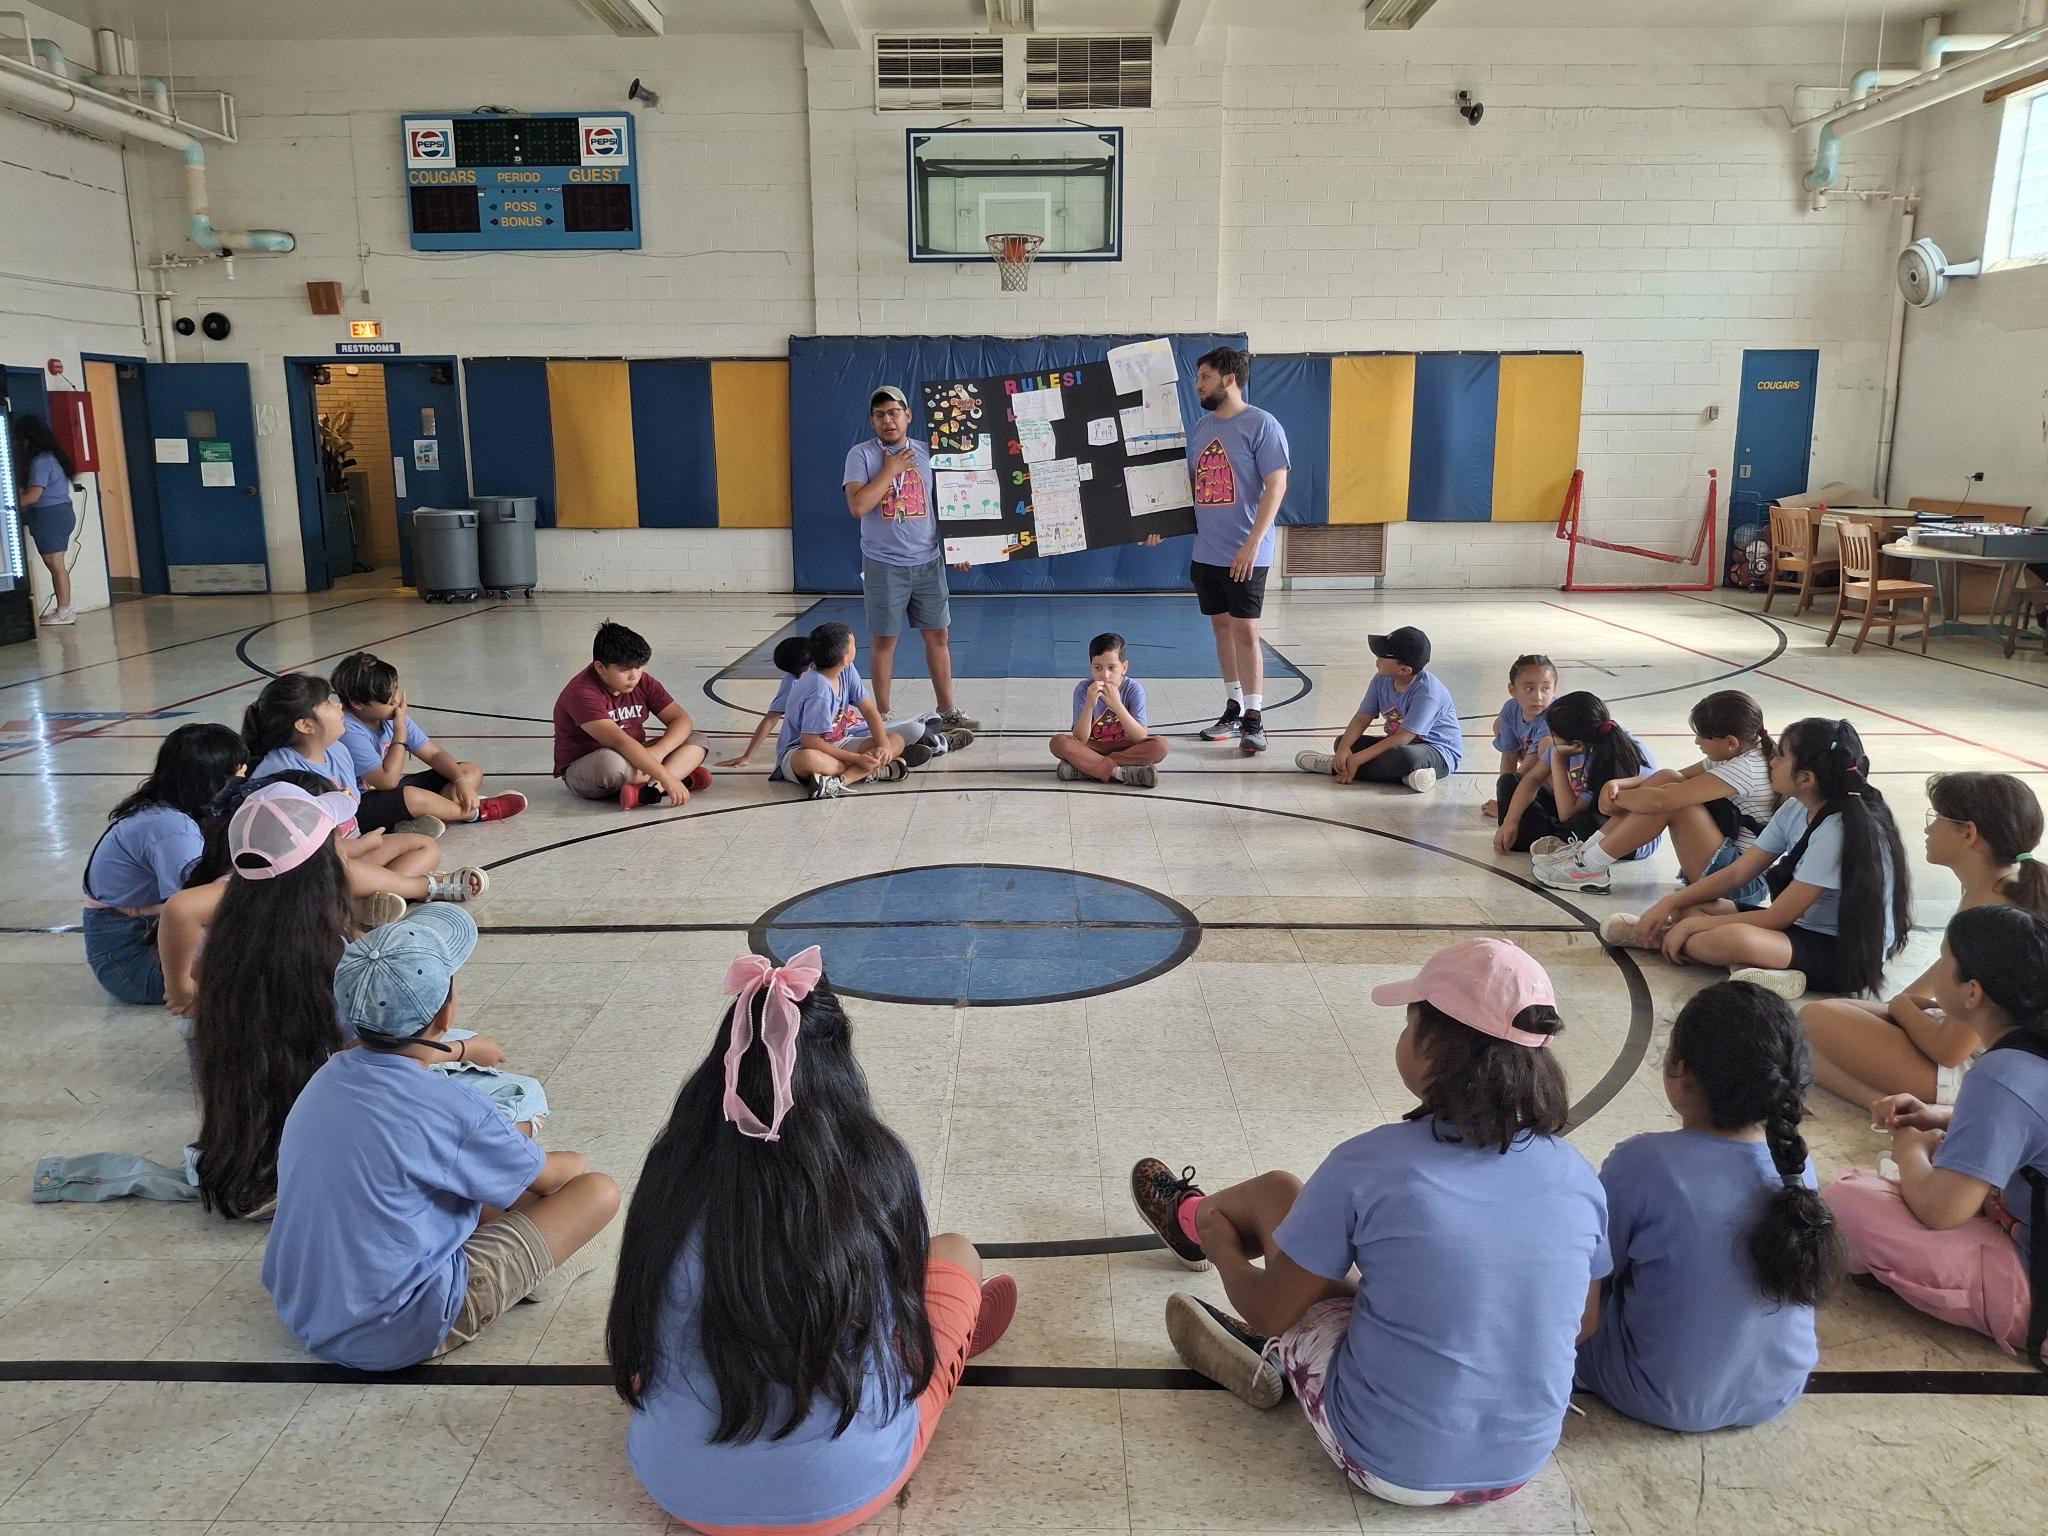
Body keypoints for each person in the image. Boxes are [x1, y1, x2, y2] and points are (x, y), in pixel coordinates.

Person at [1127, 939, 1607, 1508]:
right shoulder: (1578, 1176)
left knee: (1281, 1213)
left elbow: (1272, 1309)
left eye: (1409, 1026)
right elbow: (1582, 1323)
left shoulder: (1370, 1162)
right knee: (1326, 1232)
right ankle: (1220, 1258)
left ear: (1434, 1047)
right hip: (1520, 1465)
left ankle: (1205, 1238)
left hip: (1386, 1459)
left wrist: (1222, 1247)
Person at [608, 949, 1017, 1534]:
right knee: (956, 1254)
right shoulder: (879, 1165)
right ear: (839, 1065)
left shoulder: (669, 1169)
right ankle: (949, 1357)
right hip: (849, 1488)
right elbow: (898, 1308)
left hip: (678, 1488)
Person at [264, 905, 619, 1369]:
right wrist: (572, 1161)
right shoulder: (452, 1106)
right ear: (447, 1011)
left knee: (483, 1179)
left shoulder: (326, 1078)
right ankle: (533, 1275)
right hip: (393, 1331)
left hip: (304, 1306)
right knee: (597, 1191)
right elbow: (552, 1178)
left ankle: (526, 1255)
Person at [1575, 981, 1846, 1432]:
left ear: (1679, 1070)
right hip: (1778, 1389)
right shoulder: (1797, 1166)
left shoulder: (1642, 1162)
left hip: (1657, 1394)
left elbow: (1588, 1280)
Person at [1827, 905, 2048, 1358]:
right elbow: (2031, 1120)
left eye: (1944, 959)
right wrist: (1940, 1115)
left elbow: (1940, 1212)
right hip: (2028, 1220)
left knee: (1848, 1201)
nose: (1936, 967)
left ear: (1972, 993)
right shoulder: (2027, 1054)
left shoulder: (2003, 1074)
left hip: (2037, 1282)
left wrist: (1909, 1144)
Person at [1605, 718, 1911, 1001]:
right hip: (1800, 928)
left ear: (1805, 778)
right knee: (1689, 905)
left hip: (1840, 953)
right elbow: (1739, 872)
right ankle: (1757, 971)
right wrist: (1670, 905)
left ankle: (1657, 938)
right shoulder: (1795, 807)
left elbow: (1776, 917)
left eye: (1780, 756)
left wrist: (1688, 927)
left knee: (1733, 938)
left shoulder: (1836, 831)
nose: (1772, 762)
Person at [1801, 772, 2048, 1108]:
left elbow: (1950, 1050)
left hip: (1993, 1075)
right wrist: (1902, 1004)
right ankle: (1890, 1104)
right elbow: (1953, 965)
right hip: (1989, 1049)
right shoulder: (2001, 884)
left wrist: (1902, 1007)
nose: (1928, 829)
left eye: (1937, 819)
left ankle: (1904, 1110)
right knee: (1820, 1024)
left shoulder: (1994, 913)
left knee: (1815, 1021)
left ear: (1968, 832)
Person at [159, 770, 487, 1018]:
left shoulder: (249, 889)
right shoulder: (300, 899)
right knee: (435, 934)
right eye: (335, 832)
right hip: (309, 1036)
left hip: (240, 1035)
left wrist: (181, 988)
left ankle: (405, 896)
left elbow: (180, 909)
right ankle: (419, 892)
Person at [244, 672, 484, 899]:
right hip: (315, 865)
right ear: (305, 725)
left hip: (352, 849)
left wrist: (362, 846)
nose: (339, 706)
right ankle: (418, 888)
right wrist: (359, 847)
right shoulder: (279, 774)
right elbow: (297, 852)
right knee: (351, 874)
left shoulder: (337, 750)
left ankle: (371, 900)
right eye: (327, 703)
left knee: (426, 847)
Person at [1168, 348, 1291, 755]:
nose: (1198, 384)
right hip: (1207, 550)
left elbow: (1276, 486)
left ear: (1228, 379)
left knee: (1246, 630)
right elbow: (1189, 488)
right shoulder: (1202, 429)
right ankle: (1233, 707)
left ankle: (1255, 716)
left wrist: (1253, 543)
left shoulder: (1262, 425)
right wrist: (1154, 526)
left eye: (1204, 377)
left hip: (1246, 552)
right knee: (1221, 627)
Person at [1536, 691, 1774, 895]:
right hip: (1728, 865)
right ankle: (1587, 852)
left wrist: (1616, 798)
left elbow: (1664, 800)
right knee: (1668, 778)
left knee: (1672, 801)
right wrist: (1621, 784)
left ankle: (1590, 866)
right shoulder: (1739, 754)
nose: (1697, 741)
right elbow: (1671, 776)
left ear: (1731, 742)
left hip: (1739, 882)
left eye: (1703, 735)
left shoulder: (1746, 769)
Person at [841, 386, 978, 733]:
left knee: (939, 635)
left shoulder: (929, 452)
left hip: (929, 560)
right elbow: (858, 507)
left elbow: (950, 503)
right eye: (879, 415)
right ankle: (882, 717)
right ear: (872, 421)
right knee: (886, 639)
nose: (887, 420)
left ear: (908, 416)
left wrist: (960, 548)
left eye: (893, 412)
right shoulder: (861, 455)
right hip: (884, 563)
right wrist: (890, 469)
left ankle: (948, 711)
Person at [81, 723, 248, 1005]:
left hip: (137, 936)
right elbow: (194, 906)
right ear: (210, 781)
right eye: (236, 774)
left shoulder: (169, 808)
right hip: (132, 962)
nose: (243, 779)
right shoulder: (171, 827)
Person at [330, 651, 526, 832]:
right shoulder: (348, 729)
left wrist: (460, 781)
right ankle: (475, 812)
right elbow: (387, 782)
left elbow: (434, 754)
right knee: (412, 796)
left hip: (392, 791)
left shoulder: (388, 717)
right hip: (360, 805)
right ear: (357, 704)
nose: (397, 700)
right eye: (388, 701)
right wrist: (400, 733)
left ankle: (425, 818)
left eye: (396, 690)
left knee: (469, 770)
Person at [723, 635, 968, 772]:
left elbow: (869, 710)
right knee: (917, 729)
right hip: (834, 746)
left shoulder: (843, 671)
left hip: (854, 735)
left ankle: (911, 746)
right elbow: (773, 719)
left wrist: (881, 743)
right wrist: (747, 755)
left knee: (914, 729)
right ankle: (934, 744)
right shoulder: (804, 685)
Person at [552, 619, 713, 809]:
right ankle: (676, 776)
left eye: (639, 667)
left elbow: (681, 719)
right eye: (624, 669)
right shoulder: (583, 693)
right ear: (600, 668)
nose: (634, 676)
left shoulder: (641, 681)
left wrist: (659, 751)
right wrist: (664, 774)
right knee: (610, 764)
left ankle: (649, 792)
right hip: (591, 765)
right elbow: (620, 742)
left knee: (696, 739)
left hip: (638, 754)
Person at [1496, 692, 1659, 866]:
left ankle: (1551, 838)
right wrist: (1510, 821)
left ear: (1576, 745)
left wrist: (1557, 759)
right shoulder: (1574, 742)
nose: (1550, 737)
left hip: (1624, 835)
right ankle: (1553, 838)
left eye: (1554, 733)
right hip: (1577, 816)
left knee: (1585, 823)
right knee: (1510, 782)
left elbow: (1568, 814)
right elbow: (1532, 780)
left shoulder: (1616, 754)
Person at [1294, 627, 1460, 793]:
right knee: (1343, 742)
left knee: (1404, 758)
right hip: (1399, 745)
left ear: (1404, 670)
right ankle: (1407, 778)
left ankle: (1333, 766)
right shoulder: (1381, 679)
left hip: (1437, 752)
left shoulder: (1428, 692)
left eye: (1382, 656)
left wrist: (1358, 759)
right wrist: (1345, 748)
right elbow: (1362, 717)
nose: (1377, 659)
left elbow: (1403, 738)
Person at [772, 623, 917, 801]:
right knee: (809, 759)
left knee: (896, 740)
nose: (856, 647)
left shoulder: (847, 670)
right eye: (853, 645)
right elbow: (810, 741)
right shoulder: (819, 689)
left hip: (840, 742)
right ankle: (873, 770)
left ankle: (840, 781)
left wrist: (883, 746)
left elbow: (870, 710)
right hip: (801, 750)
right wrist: (857, 759)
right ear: (844, 658)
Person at [1051, 631, 1167, 788]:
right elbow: (1079, 739)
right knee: (1059, 743)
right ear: (1090, 667)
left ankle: (1086, 768)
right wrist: (1090, 704)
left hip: (1126, 747)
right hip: (1092, 747)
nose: (1105, 675)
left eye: (1112, 668)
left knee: (1160, 746)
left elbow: (1140, 737)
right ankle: (1119, 773)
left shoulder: (1134, 690)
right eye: (1098, 667)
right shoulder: (1083, 689)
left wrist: (1118, 706)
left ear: (1124, 667)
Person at [11, 410, 78, 625]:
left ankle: (64, 610)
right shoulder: (52, 457)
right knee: (54, 562)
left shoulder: (42, 461)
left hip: (50, 515)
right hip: (57, 513)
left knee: (55, 562)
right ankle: (64, 608)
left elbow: (34, 495)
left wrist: (9, 504)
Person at [1481, 654, 1556, 819]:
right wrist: (1504, 797)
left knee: (1546, 747)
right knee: (1498, 726)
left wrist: (1506, 807)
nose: (1538, 696)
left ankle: (1552, 804)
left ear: (1555, 689)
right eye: (1529, 689)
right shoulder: (1511, 709)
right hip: (1537, 768)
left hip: (1569, 779)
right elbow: (1508, 756)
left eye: (1545, 688)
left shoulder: (1553, 716)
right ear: (1512, 690)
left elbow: (1530, 765)